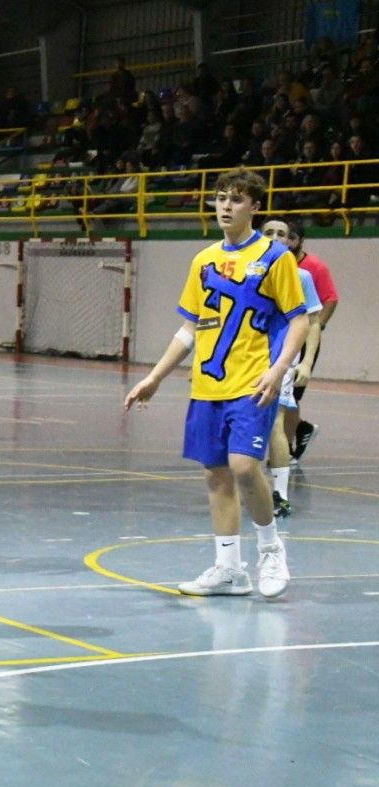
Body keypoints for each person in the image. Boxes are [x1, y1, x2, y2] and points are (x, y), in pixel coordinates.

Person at [124, 168, 309, 600]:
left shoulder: (274, 257)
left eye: (237, 199)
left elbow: (299, 319)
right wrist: (154, 377)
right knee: (216, 474)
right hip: (207, 385)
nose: (226, 206)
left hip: (252, 381)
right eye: (221, 198)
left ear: (255, 207)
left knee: (245, 466)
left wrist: (278, 369)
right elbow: (189, 328)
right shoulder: (203, 261)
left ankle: (270, 549)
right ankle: (230, 570)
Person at [259, 218, 322, 518]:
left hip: (281, 356)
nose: (275, 237)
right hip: (243, 355)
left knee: (275, 421)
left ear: (291, 242)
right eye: (268, 232)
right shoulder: (248, 271)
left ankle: (280, 494)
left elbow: (312, 324)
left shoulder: (302, 277)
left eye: (282, 234)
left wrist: (307, 362)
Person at [281, 217, 339, 461]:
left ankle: (286, 447)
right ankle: (300, 428)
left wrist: (317, 327)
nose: (285, 242)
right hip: (276, 336)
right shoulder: (271, 262)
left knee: (290, 395)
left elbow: (330, 298)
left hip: (301, 337)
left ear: (300, 241)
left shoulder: (313, 268)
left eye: (291, 238)